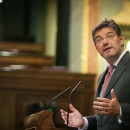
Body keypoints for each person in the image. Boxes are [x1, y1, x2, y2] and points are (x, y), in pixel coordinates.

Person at [60, 19, 130, 130]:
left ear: (121, 39)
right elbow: (104, 120)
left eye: (110, 36)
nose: (105, 42)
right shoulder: (102, 76)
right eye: (99, 40)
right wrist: (84, 122)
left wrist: (121, 110)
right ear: (97, 48)